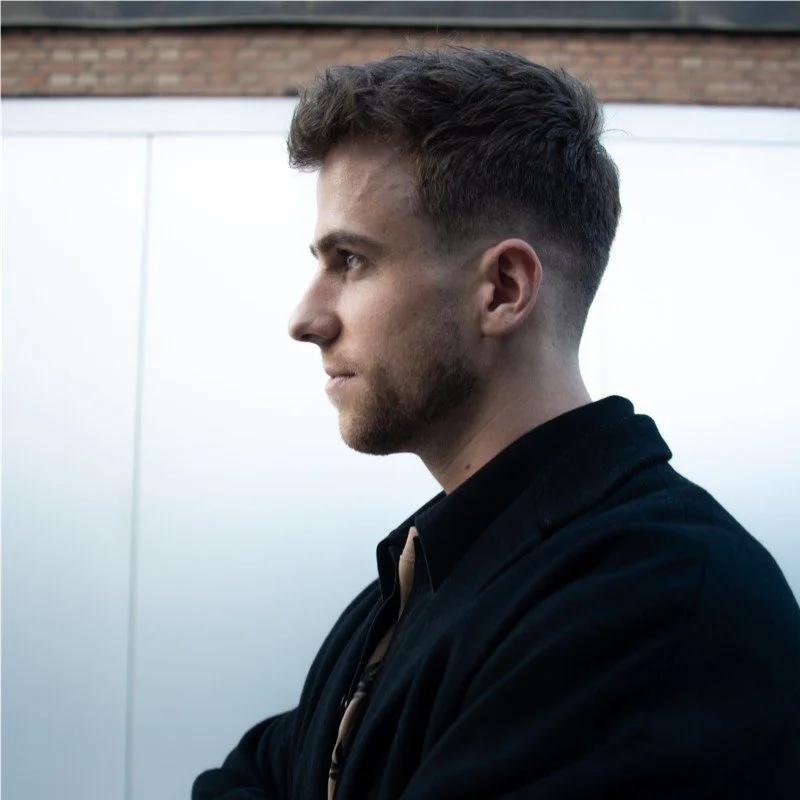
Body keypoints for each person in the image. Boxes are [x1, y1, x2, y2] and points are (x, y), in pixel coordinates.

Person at [193, 48, 800, 799]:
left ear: (503, 289)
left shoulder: (659, 602)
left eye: (350, 260)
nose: (305, 318)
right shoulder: (423, 573)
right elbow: (247, 775)